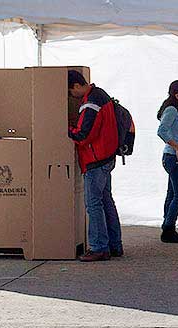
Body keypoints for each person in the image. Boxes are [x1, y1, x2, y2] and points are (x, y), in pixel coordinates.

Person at [67, 70, 123, 262]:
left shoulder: (90, 103)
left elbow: (83, 135)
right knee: (106, 201)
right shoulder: (101, 94)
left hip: (95, 159)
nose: (71, 97)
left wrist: (66, 130)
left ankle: (99, 247)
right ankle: (115, 245)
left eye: (70, 92)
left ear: (76, 86)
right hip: (107, 157)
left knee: (94, 204)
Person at [157, 80, 178, 243]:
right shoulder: (171, 110)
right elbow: (162, 131)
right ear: (177, 95)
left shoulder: (174, 111)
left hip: (175, 157)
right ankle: (168, 228)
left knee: (172, 193)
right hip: (173, 157)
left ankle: (167, 225)